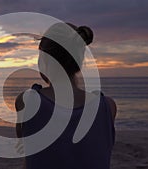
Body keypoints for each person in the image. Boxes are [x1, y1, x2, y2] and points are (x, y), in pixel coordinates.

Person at [15, 22, 117, 169]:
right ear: (79, 61)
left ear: (43, 61)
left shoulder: (28, 101)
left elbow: (29, 153)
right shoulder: (108, 107)